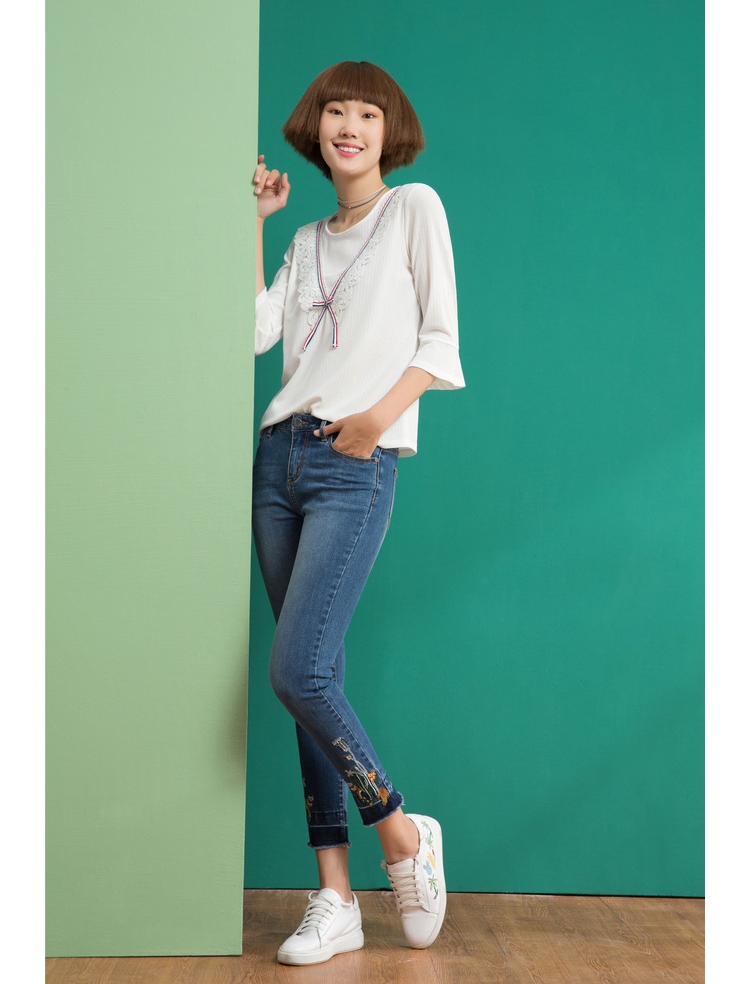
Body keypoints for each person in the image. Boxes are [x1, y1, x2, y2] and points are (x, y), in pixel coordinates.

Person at [252, 60, 465, 966]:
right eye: (335, 110)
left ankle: (403, 835)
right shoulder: (305, 239)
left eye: (366, 113)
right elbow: (254, 332)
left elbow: (441, 343)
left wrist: (377, 420)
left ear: (388, 131)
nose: (349, 125)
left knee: (297, 671)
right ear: (316, 128)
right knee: (315, 680)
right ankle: (335, 894)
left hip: (353, 462)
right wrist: (255, 225)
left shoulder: (414, 208)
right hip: (278, 462)